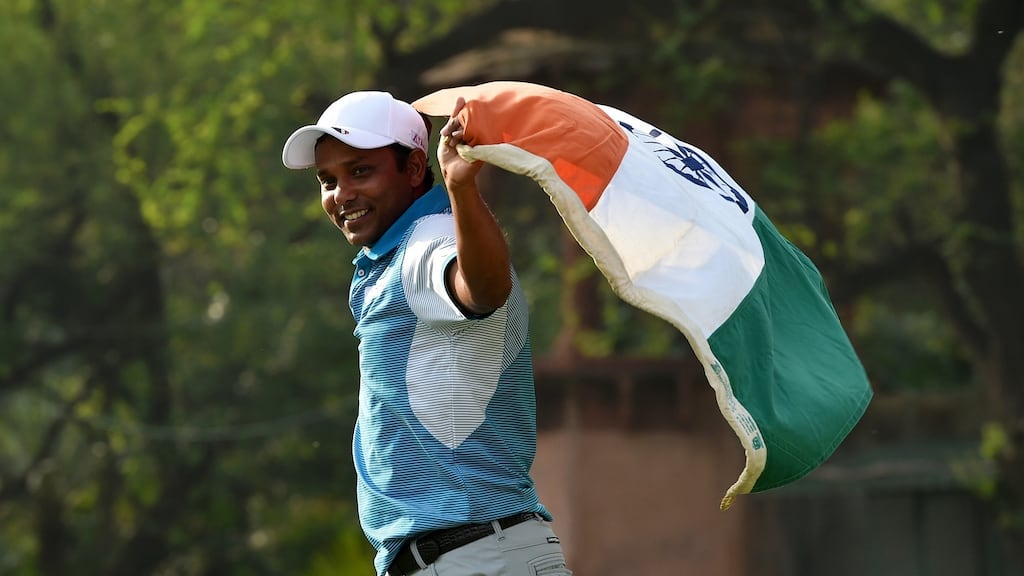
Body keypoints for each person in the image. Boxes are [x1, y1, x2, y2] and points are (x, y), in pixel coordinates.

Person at [281, 91, 569, 576]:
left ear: (415, 169)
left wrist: (461, 186)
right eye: (327, 180)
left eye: (360, 172)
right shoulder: (399, 251)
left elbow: (482, 289)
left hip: (474, 557)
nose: (340, 194)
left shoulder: (428, 239)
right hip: (473, 555)